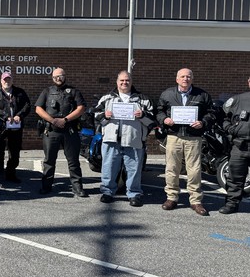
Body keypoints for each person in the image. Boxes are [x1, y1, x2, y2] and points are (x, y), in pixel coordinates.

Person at [156, 68, 213, 216]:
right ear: (177, 79)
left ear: (192, 79)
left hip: (193, 137)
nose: (185, 79)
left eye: (188, 77)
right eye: (182, 76)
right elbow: (159, 111)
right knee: (172, 168)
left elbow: (211, 113)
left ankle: (196, 201)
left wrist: (203, 122)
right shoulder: (167, 94)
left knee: (194, 170)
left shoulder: (202, 95)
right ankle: (171, 197)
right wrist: (164, 119)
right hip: (173, 136)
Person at [94, 71, 155, 206]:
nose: (124, 83)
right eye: (121, 80)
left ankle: (134, 193)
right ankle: (107, 192)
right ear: (117, 82)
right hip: (111, 140)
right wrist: (105, 116)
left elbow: (152, 120)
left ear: (131, 82)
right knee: (109, 167)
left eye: (127, 80)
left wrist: (142, 115)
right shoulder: (107, 98)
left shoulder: (143, 99)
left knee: (134, 169)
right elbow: (95, 115)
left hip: (133, 140)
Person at [34, 68, 86, 197]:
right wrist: (52, 120)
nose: (58, 78)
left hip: (69, 130)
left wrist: (65, 119)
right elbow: (38, 109)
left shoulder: (74, 91)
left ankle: (77, 187)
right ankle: (46, 186)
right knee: (49, 161)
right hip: (51, 131)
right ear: (52, 78)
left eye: (60, 76)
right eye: (55, 76)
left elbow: (81, 108)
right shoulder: (47, 91)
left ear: (65, 76)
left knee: (73, 161)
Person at [0, 71, 31, 183]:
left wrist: (19, 115)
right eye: (5, 79)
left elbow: (27, 106)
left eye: (9, 79)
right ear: (1, 81)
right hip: (0, 127)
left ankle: (11, 173)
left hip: (16, 127)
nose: (7, 81)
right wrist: (6, 116)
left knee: (14, 151)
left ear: (12, 80)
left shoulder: (20, 93)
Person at [218, 76, 250, 214]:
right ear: (248, 82)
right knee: (235, 177)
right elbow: (222, 117)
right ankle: (231, 204)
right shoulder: (237, 100)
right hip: (240, 145)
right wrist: (231, 129)